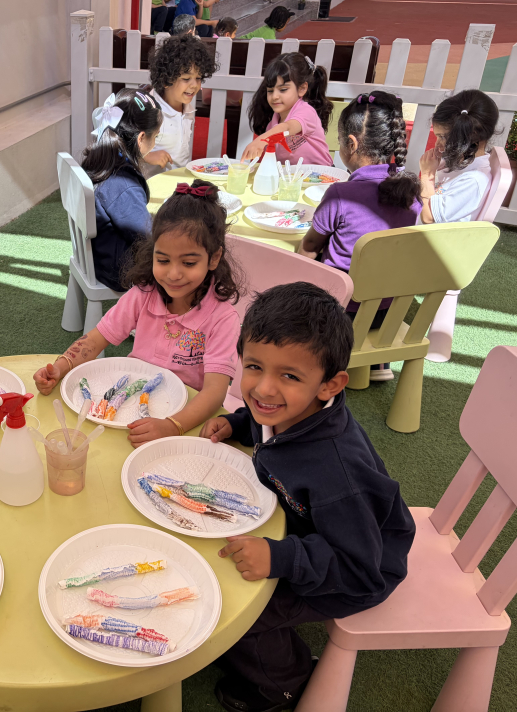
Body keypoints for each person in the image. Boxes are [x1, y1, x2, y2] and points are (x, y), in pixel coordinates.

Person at [203, 282, 415, 712]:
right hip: (313, 532)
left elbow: (361, 570)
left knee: (239, 613)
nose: (263, 389)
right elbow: (263, 421)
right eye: (254, 366)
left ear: (329, 385)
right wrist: (237, 424)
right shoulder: (290, 411)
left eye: (289, 376)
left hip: (355, 570)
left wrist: (282, 558)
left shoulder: (338, 474)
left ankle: (284, 683)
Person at [33, 180, 241, 448]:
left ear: (213, 258)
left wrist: (172, 425)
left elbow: (214, 392)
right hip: (129, 407)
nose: (173, 274)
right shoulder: (143, 295)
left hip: (187, 421)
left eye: (189, 263)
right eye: (162, 260)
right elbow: (95, 339)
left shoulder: (222, 319)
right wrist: (60, 367)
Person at [298, 92, 422, 382]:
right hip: (387, 314)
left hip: (339, 316)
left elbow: (309, 247)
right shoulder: (411, 194)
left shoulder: (341, 194)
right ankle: (376, 364)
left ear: (351, 144)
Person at [83, 89, 163, 291]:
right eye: (155, 137)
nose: (154, 143)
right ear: (141, 138)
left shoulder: (102, 157)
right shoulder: (123, 185)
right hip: (117, 269)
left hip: (97, 253)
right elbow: (146, 238)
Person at [418, 89, 500, 224]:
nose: (437, 143)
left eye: (443, 137)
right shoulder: (459, 162)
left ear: (471, 135)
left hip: (428, 235)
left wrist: (427, 175)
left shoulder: (474, 180)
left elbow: (429, 217)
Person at [241, 52, 333, 167]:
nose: (274, 96)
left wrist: (261, 140)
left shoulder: (306, 111)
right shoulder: (272, 124)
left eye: (283, 89)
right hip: (291, 175)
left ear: (302, 89)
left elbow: (287, 127)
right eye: (270, 90)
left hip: (321, 174)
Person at [145, 34, 218, 173]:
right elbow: (118, 146)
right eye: (186, 79)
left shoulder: (187, 110)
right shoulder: (148, 109)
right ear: (166, 80)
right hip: (149, 183)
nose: (194, 85)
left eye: (198, 78)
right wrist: (146, 156)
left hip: (179, 181)